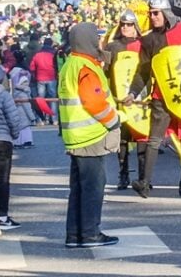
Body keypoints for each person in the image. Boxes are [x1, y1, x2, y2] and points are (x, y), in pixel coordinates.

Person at [125, 0, 181, 198]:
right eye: (150, 13)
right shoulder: (148, 39)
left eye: (156, 13)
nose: (152, 16)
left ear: (166, 13)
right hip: (160, 97)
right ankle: (144, 183)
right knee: (153, 140)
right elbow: (143, 71)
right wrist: (132, 92)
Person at [58, 22, 120, 248]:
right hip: (90, 136)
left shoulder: (71, 64)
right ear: (89, 41)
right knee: (93, 188)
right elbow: (94, 102)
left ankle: (75, 235)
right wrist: (114, 121)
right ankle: (91, 233)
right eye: (98, 38)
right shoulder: (86, 67)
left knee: (79, 189)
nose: (100, 42)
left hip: (76, 135)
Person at [102, 10, 143, 191]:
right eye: (123, 24)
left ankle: (143, 176)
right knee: (123, 139)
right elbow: (106, 73)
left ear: (135, 26)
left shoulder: (143, 45)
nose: (125, 28)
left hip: (140, 99)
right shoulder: (113, 47)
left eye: (129, 24)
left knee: (143, 137)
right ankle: (123, 174)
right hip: (119, 98)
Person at [0, 65, 27, 230]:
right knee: (3, 181)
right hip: (4, 141)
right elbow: (13, 119)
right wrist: (14, 134)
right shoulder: (4, 95)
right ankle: (3, 216)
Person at [28, 38, 58, 125]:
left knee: (41, 99)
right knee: (52, 99)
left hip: (40, 78)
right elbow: (57, 66)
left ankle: (43, 119)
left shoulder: (38, 55)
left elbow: (32, 67)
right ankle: (54, 119)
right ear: (51, 44)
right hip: (51, 78)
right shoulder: (53, 54)